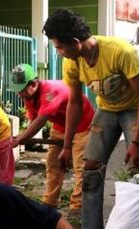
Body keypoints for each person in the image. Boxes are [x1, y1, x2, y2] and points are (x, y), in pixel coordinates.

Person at [43, 8, 139, 229]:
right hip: (106, 111)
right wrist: (66, 146)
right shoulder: (72, 63)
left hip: (136, 108)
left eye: (59, 47)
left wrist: (137, 143)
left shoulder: (119, 51)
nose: (59, 52)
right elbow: (74, 103)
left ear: (75, 42)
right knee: (90, 172)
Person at [8, 63, 95, 218]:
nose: (18, 94)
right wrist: (24, 137)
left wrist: (19, 139)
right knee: (53, 162)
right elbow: (33, 121)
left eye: (20, 90)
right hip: (61, 126)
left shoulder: (50, 91)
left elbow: (40, 121)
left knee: (81, 167)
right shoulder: (29, 96)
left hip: (83, 124)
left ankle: (77, 207)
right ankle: (49, 202)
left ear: (33, 84)